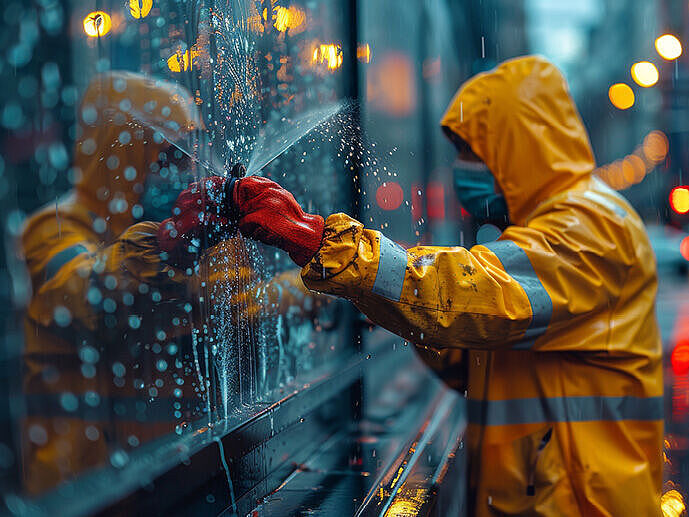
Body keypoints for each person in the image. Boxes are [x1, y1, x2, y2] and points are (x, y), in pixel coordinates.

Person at [179, 56, 663, 515]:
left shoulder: (592, 227)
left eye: (472, 152)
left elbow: (474, 297)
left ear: (521, 146)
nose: (462, 170)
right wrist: (368, 294)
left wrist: (320, 241)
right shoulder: (560, 227)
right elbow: (467, 357)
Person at [20, 71, 313, 493]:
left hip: (179, 475)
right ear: (121, 153)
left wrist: (320, 280)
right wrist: (165, 246)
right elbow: (81, 296)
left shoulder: (185, 236)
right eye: (169, 156)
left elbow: (243, 308)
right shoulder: (55, 228)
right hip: (83, 487)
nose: (185, 170)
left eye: (188, 155)